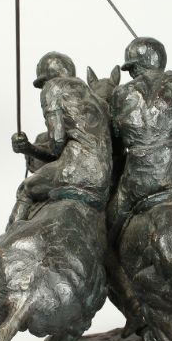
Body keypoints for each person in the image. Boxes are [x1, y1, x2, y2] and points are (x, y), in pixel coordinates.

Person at [107, 36, 172, 244]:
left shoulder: (120, 94)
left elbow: (116, 140)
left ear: (135, 66)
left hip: (136, 185)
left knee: (108, 225)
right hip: (171, 178)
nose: (131, 74)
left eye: (131, 69)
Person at [9, 51, 112, 225]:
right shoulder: (98, 101)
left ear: (47, 77)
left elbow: (56, 144)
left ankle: (10, 233)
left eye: (42, 84)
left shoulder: (53, 87)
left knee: (25, 189)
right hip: (102, 178)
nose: (43, 88)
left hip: (74, 171)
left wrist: (28, 148)